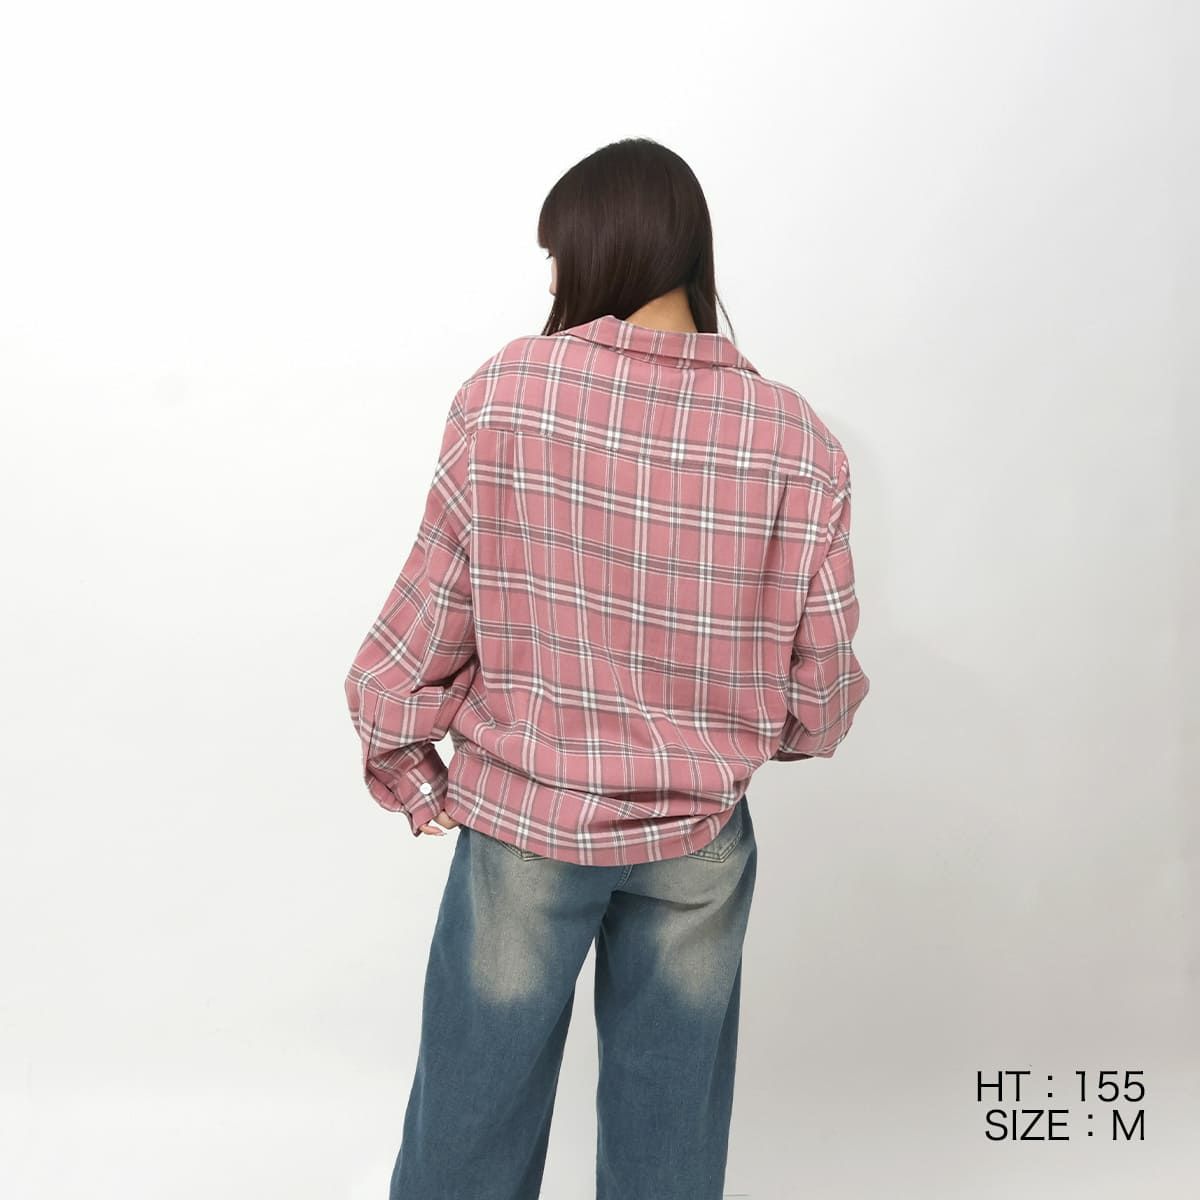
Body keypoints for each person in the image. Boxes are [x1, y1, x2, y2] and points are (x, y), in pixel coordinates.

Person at [343, 136, 871, 1200]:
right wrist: (742, 738)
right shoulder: (796, 440)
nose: (550, 281)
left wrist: (403, 755)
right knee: (669, 1141)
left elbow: (431, 609)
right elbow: (819, 689)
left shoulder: (507, 395)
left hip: (525, 822)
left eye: (555, 256)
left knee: (469, 1124)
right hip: (698, 839)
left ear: (601, 249)